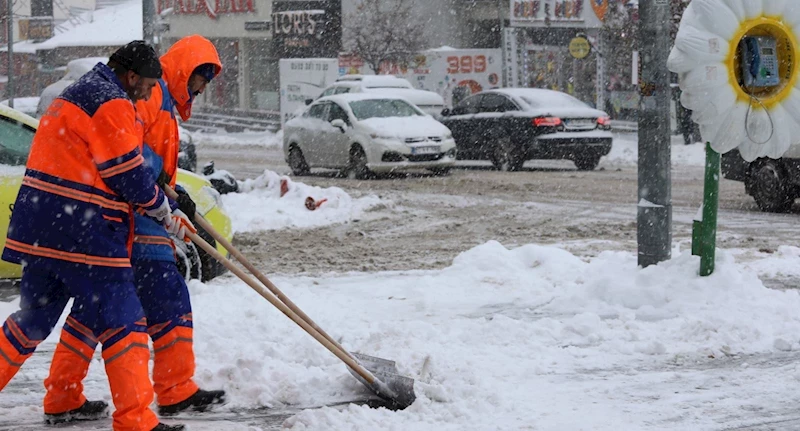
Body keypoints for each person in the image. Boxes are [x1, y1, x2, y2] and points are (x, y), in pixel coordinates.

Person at [0, 41, 186, 431]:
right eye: (149, 84)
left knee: (32, 319)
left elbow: (100, 157)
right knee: (125, 320)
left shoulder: (79, 93)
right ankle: (136, 421)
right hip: (84, 229)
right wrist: (159, 207)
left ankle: (63, 398)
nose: (151, 92)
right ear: (132, 76)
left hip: (42, 227)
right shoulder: (112, 101)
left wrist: (158, 187)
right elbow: (124, 172)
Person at [42, 35, 225, 423]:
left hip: (134, 210)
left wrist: (174, 192)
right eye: (201, 77)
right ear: (186, 71)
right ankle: (172, 391)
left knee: (93, 309)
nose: (203, 88)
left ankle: (63, 392)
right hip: (138, 214)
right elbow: (131, 151)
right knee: (168, 298)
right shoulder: (153, 94)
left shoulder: (164, 100)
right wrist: (164, 195)